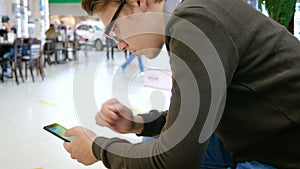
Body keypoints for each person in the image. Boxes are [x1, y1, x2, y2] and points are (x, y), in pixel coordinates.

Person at [62, 0, 300, 169]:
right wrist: (137, 124)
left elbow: (175, 161)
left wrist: (98, 148)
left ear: (139, 2)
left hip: (284, 154)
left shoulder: (195, 21)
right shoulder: (195, 11)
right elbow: (190, 117)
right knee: (151, 141)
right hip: (263, 135)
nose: (120, 45)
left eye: (115, 29)